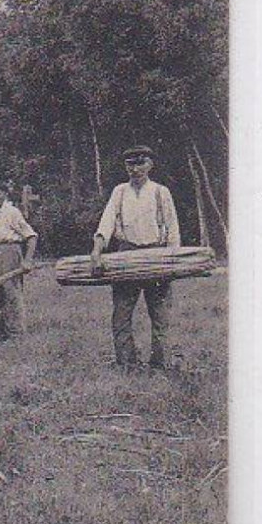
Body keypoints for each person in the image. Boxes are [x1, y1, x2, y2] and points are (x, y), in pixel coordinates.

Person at [90, 145, 181, 369]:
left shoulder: (161, 192)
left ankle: (160, 365)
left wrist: (173, 260)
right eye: (130, 164)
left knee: (160, 315)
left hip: (156, 254)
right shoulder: (119, 191)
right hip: (126, 254)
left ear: (150, 164)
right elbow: (107, 222)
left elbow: (172, 229)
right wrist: (97, 250)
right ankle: (127, 364)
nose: (135, 169)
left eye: (140, 163)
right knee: (121, 313)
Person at [0, 180, 37, 340]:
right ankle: (3, 329)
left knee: (11, 291)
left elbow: (31, 237)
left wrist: (27, 260)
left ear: (5, 195)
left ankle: (17, 331)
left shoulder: (12, 212)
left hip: (10, 250)